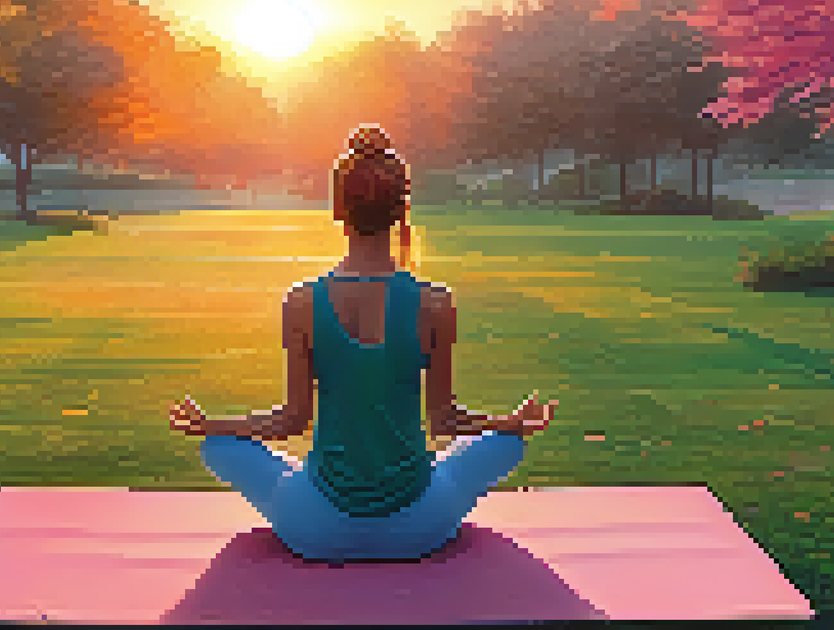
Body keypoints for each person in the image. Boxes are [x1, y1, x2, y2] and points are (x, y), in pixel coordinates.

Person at [168, 124, 557, 563]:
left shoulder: (301, 302)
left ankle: (259, 464)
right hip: (417, 530)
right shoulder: (434, 302)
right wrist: (512, 422)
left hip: (318, 529)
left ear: (337, 209)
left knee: (216, 447)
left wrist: (211, 425)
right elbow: (445, 420)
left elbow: (292, 420)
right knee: (507, 444)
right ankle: (502, 440)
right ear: (400, 209)